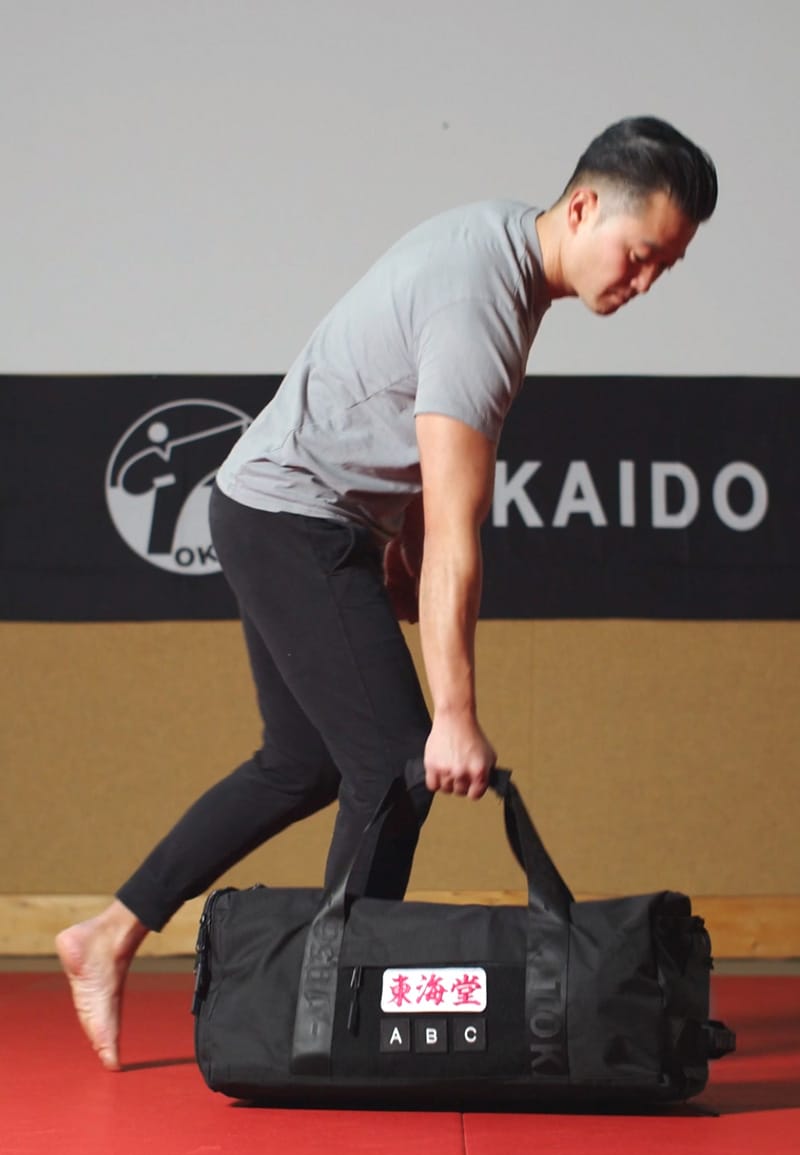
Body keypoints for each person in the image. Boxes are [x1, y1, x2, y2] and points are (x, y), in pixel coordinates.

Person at [57, 116, 718, 1069]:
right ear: (583, 208)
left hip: (276, 510)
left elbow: (410, 427)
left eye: (667, 267)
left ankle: (111, 932)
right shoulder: (484, 300)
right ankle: (330, 1024)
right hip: (292, 518)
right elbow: (458, 530)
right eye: (642, 253)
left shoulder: (501, 246)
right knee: (397, 766)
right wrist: (454, 714)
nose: (644, 281)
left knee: (301, 764)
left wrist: (396, 550)